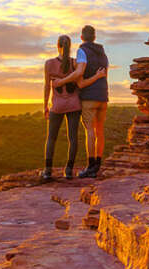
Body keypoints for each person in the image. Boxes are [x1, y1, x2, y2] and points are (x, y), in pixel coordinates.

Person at [41, 35, 105, 181]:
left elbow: (47, 86)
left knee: (51, 138)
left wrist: (45, 105)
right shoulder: (75, 63)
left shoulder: (49, 63)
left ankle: (48, 171)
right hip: (74, 104)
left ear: (58, 46)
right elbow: (81, 82)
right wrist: (97, 76)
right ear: (70, 47)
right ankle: (68, 170)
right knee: (73, 138)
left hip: (57, 106)